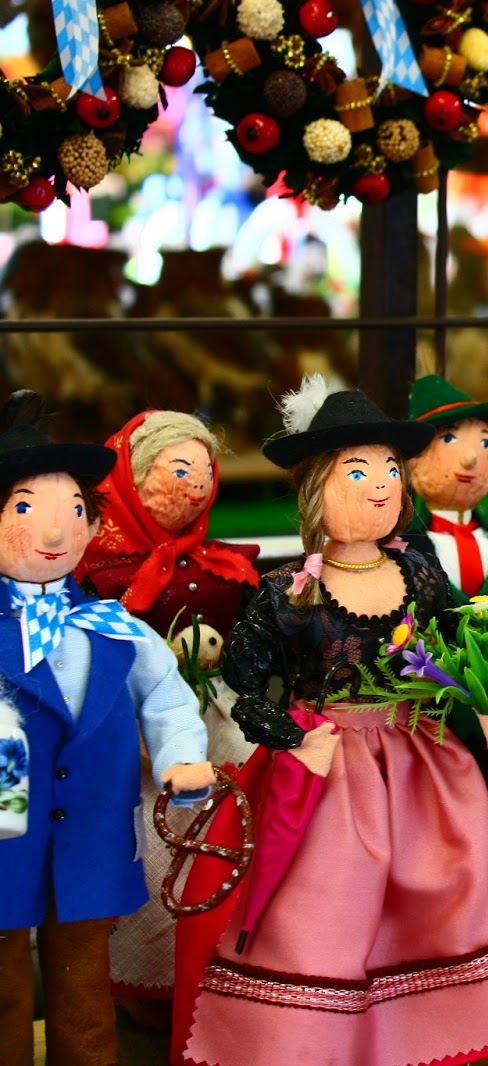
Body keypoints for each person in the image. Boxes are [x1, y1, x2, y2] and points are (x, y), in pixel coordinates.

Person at [180, 378, 488, 1066]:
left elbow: (463, 642)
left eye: (389, 469)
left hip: (421, 759)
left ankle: (428, 1031)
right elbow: (242, 684)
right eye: (358, 471)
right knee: (327, 908)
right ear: (316, 487)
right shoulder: (289, 591)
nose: (381, 485)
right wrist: (294, 736)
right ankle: (315, 1040)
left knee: (444, 888)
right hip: (327, 769)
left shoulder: (419, 572)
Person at [0, 390, 212, 1066]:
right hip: (4, 836)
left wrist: (181, 755)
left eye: (75, 510)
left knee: (85, 983)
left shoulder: (112, 625)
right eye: (25, 509)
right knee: (2, 986)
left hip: (90, 830)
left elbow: (167, 696)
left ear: (93, 522)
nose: (56, 532)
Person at [76, 410, 261, 1014]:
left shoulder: (221, 561)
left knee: (228, 833)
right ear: (129, 476)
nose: (197, 486)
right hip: (135, 732)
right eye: (180, 470)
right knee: (152, 851)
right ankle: (147, 985)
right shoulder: (96, 573)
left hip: (217, 719)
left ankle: (224, 970)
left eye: (206, 472)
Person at [403, 374, 488, 601]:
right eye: (448, 438)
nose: (470, 458)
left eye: (485, 442)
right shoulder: (404, 546)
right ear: (416, 459)